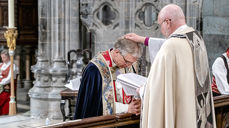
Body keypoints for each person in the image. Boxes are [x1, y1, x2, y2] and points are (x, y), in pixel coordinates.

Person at [125, 4, 216, 128]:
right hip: (195, 112)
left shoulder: (171, 46)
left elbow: (157, 90)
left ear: (167, 22)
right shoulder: (195, 37)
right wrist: (143, 39)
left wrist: (142, 91)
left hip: (181, 114)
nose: (161, 30)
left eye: (160, 24)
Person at [74, 38, 142, 119]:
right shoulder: (95, 70)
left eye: (132, 63)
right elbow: (95, 105)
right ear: (117, 52)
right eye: (127, 62)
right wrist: (127, 108)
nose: (129, 66)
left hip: (127, 119)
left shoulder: (129, 63)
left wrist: (137, 103)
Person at [0, 49, 18, 115]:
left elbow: (10, 78)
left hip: (8, 86)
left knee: (2, 96)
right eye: (1, 57)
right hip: (2, 84)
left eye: (4, 57)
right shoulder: (1, 65)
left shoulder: (13, 66)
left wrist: (1, 83)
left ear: (8, 57)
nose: (2, 59)